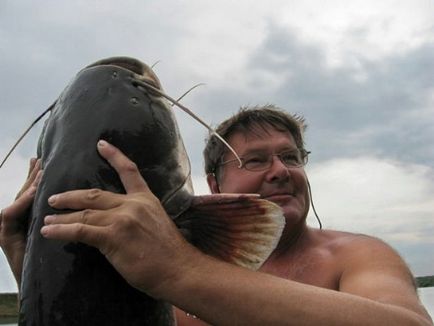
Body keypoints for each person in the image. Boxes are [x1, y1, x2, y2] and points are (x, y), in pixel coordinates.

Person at [0, 105, 432, 325]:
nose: (281, 171)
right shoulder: (145, 259)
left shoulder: (357, 255)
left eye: (291, 157)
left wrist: (178, 273)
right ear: (215, 184)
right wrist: (32, 263)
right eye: (256, 161)